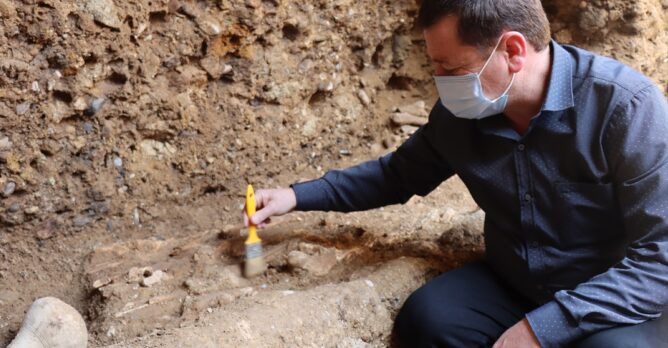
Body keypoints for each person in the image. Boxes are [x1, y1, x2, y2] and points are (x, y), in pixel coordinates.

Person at [244, 0, 668, 347]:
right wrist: (295, 196)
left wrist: (542, 330)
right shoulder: (462, 113)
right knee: (428, 321)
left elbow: (659, 260)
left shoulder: (626, 108)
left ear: (514, 51)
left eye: (451, 69)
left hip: (610, 295)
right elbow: (397, 175)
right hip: (518, 281)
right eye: (436, 66)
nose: (439, 82)